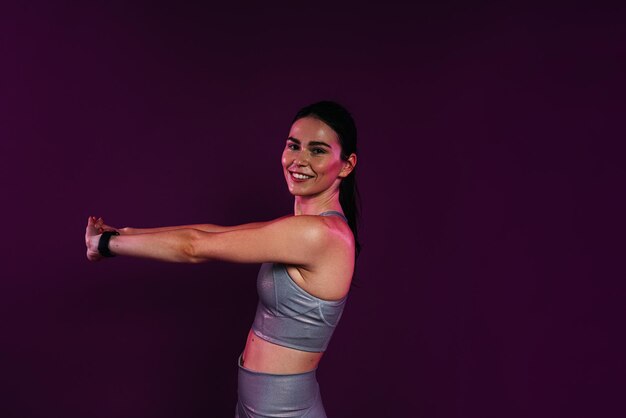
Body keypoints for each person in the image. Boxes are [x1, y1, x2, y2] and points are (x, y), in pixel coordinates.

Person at [85, 100, 360, 417]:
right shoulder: (301, 229)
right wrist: (124, 232)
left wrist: (104, 245)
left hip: (283, 412)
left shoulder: (319, 234)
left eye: (317, 150)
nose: (299, 160)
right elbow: (211, 232)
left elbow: (195, 246)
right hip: (259, 406)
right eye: (294, 145)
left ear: (346, 165)